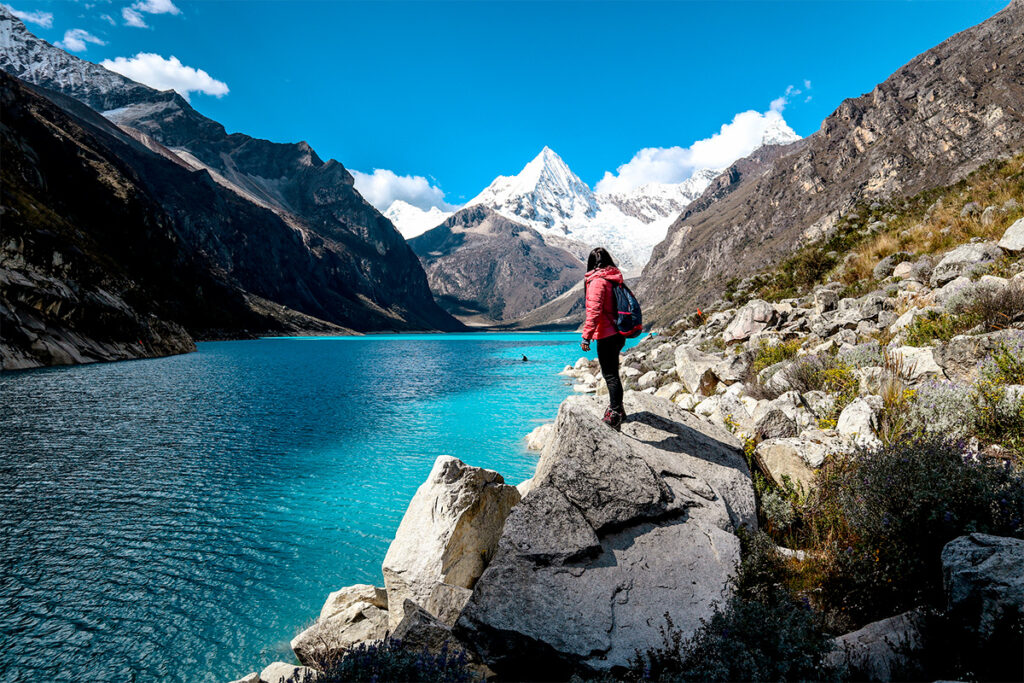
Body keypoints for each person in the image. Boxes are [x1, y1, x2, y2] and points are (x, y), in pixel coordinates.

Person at [580, 247, 626, 430]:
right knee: (613, 372)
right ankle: (619, 410)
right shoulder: (613, 278)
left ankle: (615, 414)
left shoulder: (597, 282)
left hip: (606, 334)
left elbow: (594, 312)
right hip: (618, 332)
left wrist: (586, 337)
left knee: (610, 375)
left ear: (591, 264)